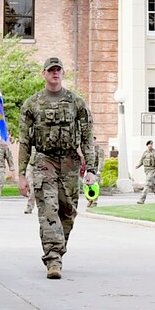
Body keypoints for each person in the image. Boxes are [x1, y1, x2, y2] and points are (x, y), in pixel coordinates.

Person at [16, 57, 97, 279]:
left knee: (68, 212)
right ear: (43, 74)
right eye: (50, 70)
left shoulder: (76, 103)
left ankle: (58, 248)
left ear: (62, 73)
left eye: (58, 70)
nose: (55, 73)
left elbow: (88, 137)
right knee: (48, 210)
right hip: (44, 161)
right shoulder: (32, 104)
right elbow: (24, 141)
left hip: (70, 162)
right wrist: (22, 174)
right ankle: (53, 258)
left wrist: (91, 169)